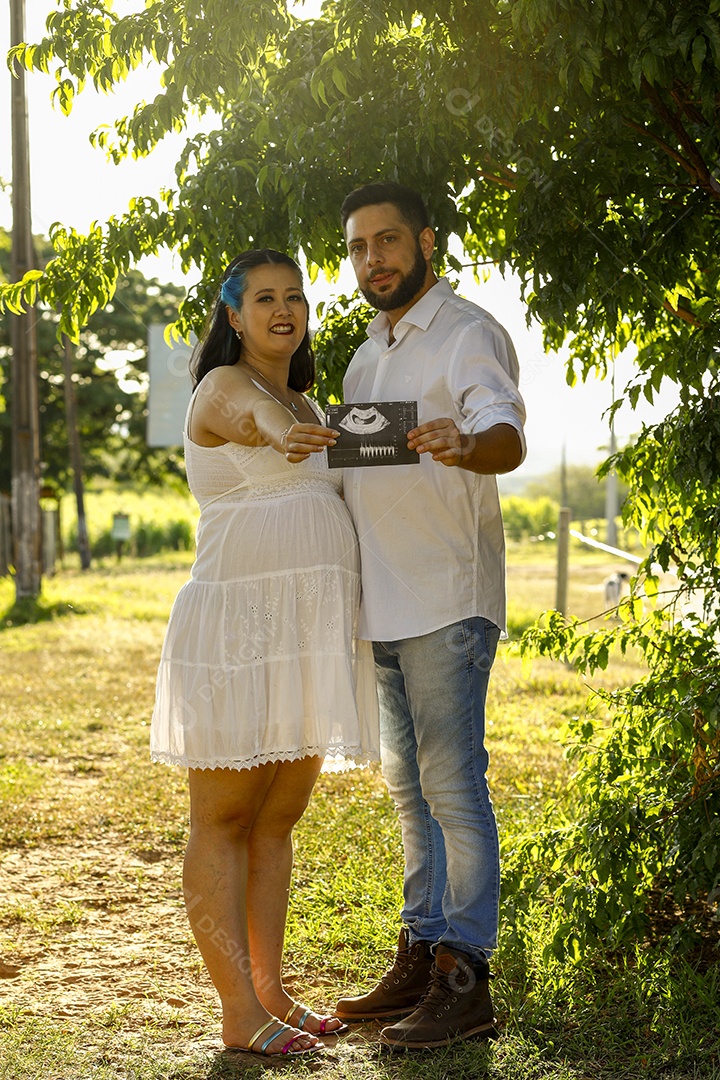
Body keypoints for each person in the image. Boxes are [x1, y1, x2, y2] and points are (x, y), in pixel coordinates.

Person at [151, 249, 378, 1058]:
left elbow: (311, 438)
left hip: (303, 638)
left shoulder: (307, 397)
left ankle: (270, 994)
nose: (283, 310)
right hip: (238, 635)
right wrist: (277, 429)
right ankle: (237, 1015)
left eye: (295, 296)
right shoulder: (225, 389)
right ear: (234, 316)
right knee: (224, 817)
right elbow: (262, 428)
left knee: (278, 819)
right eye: (264, 299)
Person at [333, 183, 526, 1050]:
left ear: (426, 241)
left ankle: (467, 978)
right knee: (410, 795)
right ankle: (419, 954)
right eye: (359, 247)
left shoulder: (468, 332)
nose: (374, 258)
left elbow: (507, 437)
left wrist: (465, 442)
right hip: (384, 605)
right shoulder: (361, 361)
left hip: (447, 602)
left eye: (388, 241)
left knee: (453, 789)